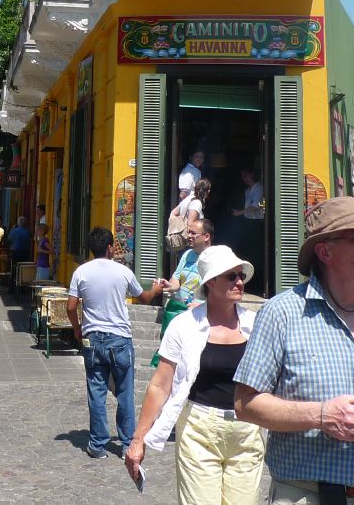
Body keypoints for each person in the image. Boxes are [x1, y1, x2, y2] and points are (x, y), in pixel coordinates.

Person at [233, 196, 354, 505]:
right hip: (306, 494)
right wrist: (321, 415)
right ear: (325, 251)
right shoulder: (283, 313)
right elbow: (246, 403)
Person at [126, 245, 260, 503]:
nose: (240, 282)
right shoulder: (184, 326)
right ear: (211, 282)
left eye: (241, 275)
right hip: (199, 429)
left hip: (247, 430)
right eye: (231, 276)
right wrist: (138, 439)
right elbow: (160, 385)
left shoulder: (255, 324)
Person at [67, 227, 168, 459]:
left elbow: (71, 306)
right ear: (110, 247)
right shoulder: (123, 272)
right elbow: (142, 298)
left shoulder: (81, 272)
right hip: (120, 339)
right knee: (124, 393)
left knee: (97, 391)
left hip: (93, 339)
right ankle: (126, 445)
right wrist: (156, 289)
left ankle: (97, 444)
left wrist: (76, 328)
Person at [152, 216, 214, 365]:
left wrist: (202, 306)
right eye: (189, 232)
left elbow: (218, 290)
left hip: (200, 314)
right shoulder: (187, 255)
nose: (189, 236)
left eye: (193, 233)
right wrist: (167, 285)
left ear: (206, 237)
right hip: (180, 310)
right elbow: (177, 281)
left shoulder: (214, 258)